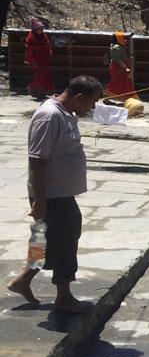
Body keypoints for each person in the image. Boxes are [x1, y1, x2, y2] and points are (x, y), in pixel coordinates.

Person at [6, 75, 102, 313]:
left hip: (60, 193)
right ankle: (64, 296)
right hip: (50, 194)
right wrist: (39, 200)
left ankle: (24, 279)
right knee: (66, 241)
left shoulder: (66, 114)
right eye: (91, 102)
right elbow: (37, 159)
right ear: (78, 97)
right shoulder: (50, 116)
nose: (92, 108)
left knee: (45, 238)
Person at [24, 18, 54, 99]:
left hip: (44, 60)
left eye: (41, 29)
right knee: (38, 76)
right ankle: (32, 88)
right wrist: (32, 62)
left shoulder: (44, 36)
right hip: (36, 61)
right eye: (39, 29)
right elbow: (29, 51)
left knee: (45, 76)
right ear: (35, 29)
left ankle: (41, 93)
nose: (41, 30)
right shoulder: (31, 37)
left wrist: (49, 52)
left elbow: (47, 45)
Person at [103, 32, 137, 101]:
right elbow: (118, 60)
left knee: (124, 82)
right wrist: (125, 68)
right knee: (117, 82)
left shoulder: (119, 46)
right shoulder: (115, 48)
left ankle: (128, 98)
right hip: (118, 67)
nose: (124, 40)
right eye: (122, 38)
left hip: (121, 67)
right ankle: (107, 96)